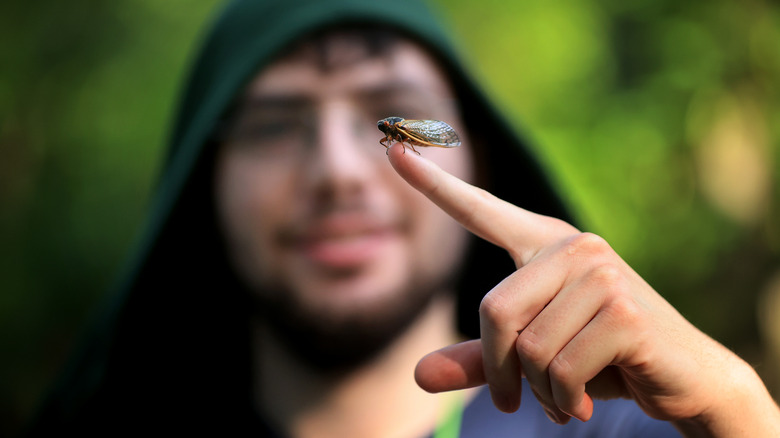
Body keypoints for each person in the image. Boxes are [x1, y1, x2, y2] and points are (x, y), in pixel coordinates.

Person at [27, 0, 780, 436]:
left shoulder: (632, 432)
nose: (338, 170)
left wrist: (743, 412)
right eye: (274, 125)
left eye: (400, 122)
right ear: (205, 179)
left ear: (480, 153)